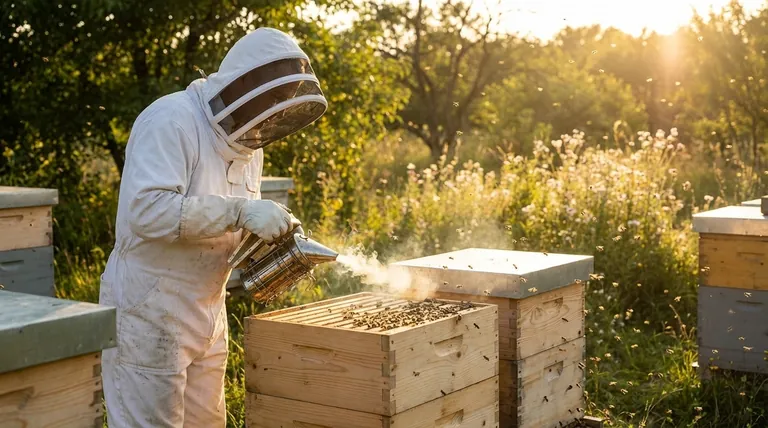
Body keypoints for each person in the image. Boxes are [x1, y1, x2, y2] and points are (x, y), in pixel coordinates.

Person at [98, 27, 328, 427]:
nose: (274, 112)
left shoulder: (246, 145)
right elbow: (147, 212)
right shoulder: (171, 120)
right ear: (246, 82)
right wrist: (241, 212)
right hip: (151, 306)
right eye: (273, 99)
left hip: (208, 306)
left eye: (283, 104)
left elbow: (227, 222)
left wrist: (269, 241)